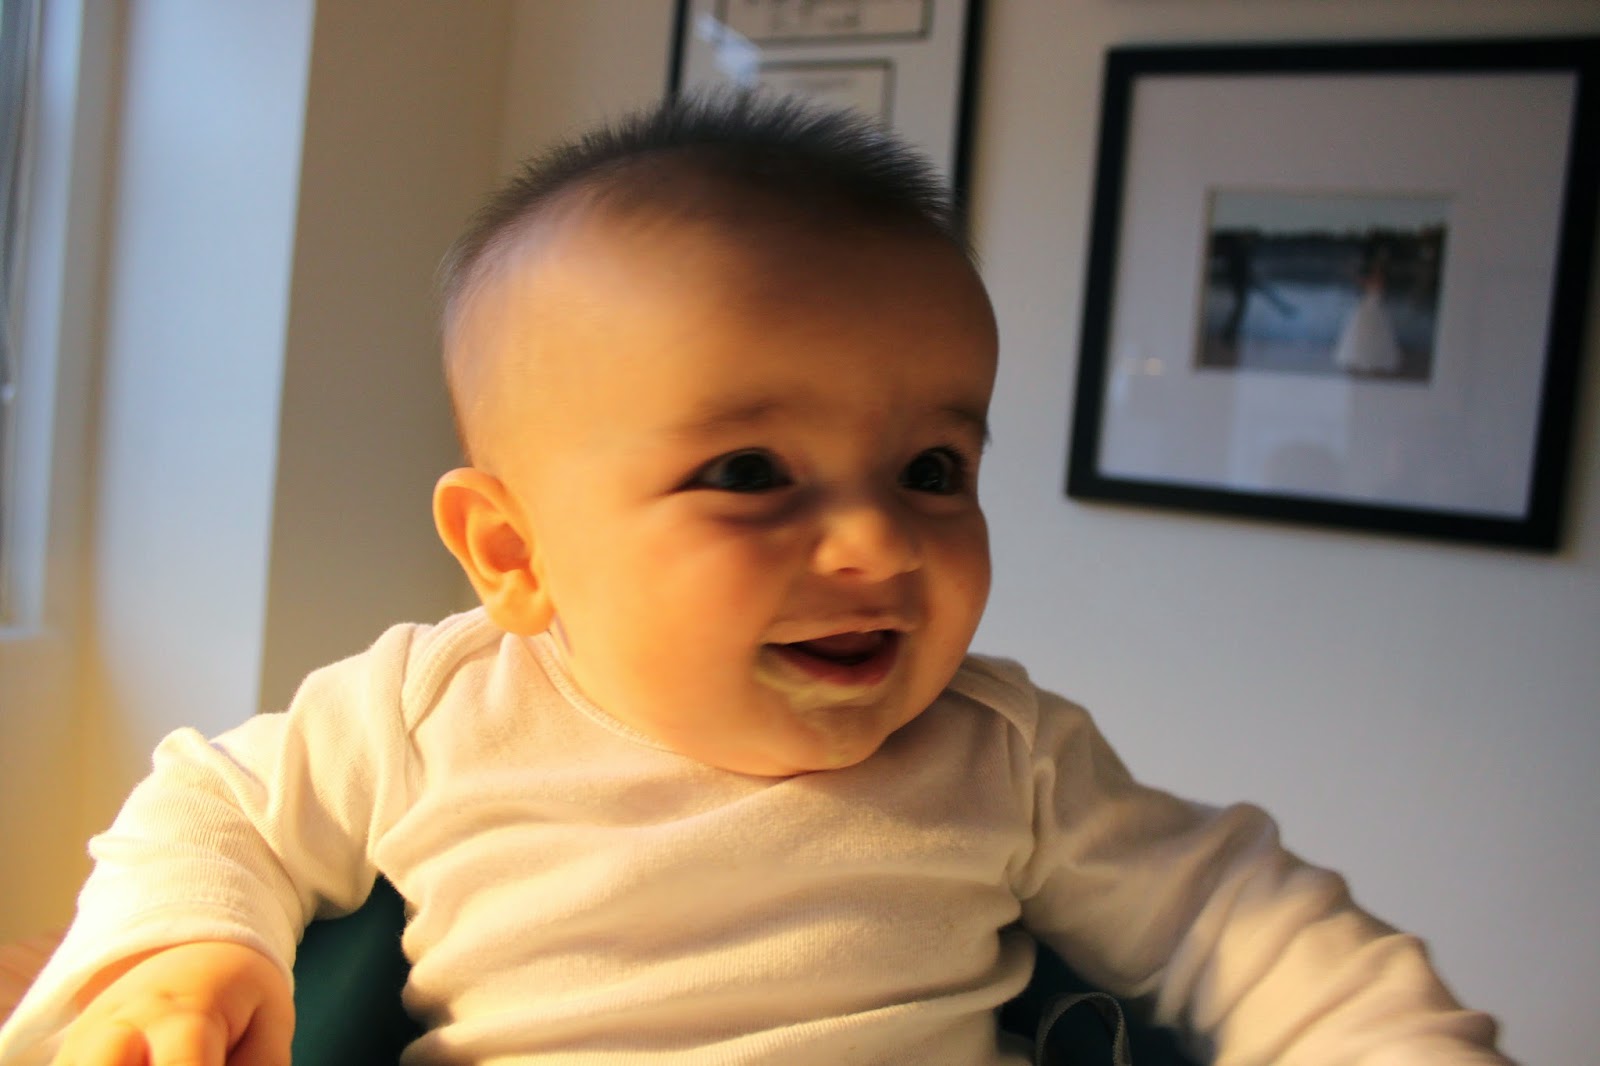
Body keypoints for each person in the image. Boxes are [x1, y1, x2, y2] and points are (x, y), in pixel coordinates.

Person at [0, 93, 1508, 1066]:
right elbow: (212, 806)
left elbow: (1234, 918)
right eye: (748, 472)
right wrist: (183, 950)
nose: (879, 546)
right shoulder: (429, 712)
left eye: (934, 469)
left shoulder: (1006, 757)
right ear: (513, 554)